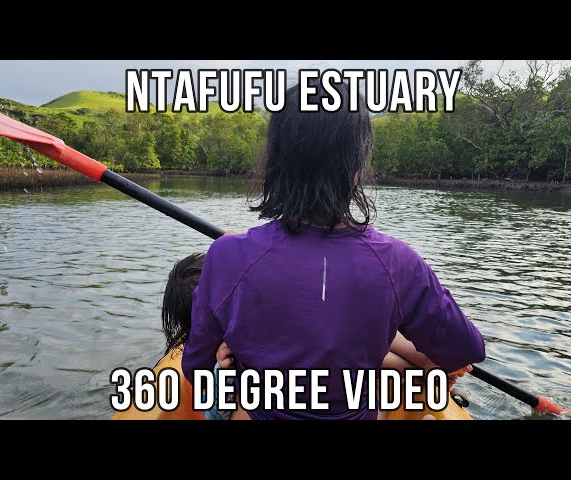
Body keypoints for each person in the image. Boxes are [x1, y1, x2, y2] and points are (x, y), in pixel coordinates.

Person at [181, 80, 486, 420]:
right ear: (356, 172)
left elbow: (196, 369)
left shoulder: (227, 256)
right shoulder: (400, 264)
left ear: (275, 167)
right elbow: (467, 349)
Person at [162, 253, 471, 421]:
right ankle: (423, 365)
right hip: (328, 389)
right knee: (359, 333)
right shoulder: (230, 351)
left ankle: (422, 365)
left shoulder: (236, 331)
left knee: (358, 334)